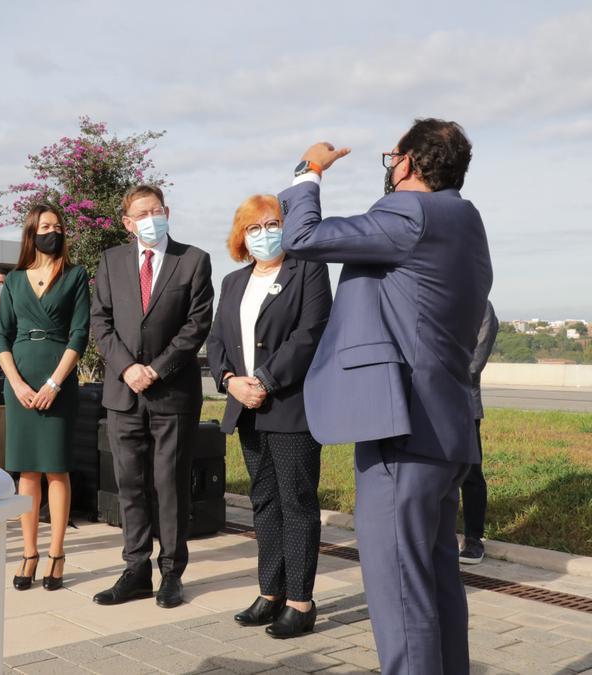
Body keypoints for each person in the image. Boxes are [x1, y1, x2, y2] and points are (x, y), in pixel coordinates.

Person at [278, 118, 492, 673]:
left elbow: (302, 239)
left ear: (411, 163)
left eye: (390, 158)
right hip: (446, 430)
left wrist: (308, 173)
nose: (387, 167)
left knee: (399, 595)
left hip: (402, 431)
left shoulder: (409, 214)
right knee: (437, 584)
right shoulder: (467, 221)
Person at [206, 195, 332, 638]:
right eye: (254, 227)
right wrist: (228, 381)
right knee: (264, 502)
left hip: (289, 405)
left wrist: (262, 380)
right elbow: (218, 338)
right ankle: (270, 592)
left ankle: (300, 601)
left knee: (296, 502)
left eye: (272, 223)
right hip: (245, 408)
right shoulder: (233, 281)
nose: (264, 233)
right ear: (241, 236)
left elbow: (309, 334)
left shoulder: (307, 270)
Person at [89, 185, 214, 609]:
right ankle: (136, 568)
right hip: (123, 393)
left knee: (170, 483)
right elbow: (100, 323)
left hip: (172, 393)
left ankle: (171, 572)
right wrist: (128, 368)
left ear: (167, 212)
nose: (150, 218)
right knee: (131, 484)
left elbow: (196, 326)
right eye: (140, 213)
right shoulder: (110, 261)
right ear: (127, 222)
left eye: (156, 210)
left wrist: (157, 369)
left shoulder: (193, 260)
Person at [0, 206, 89, 591]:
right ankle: (29, 553)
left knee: (56, 469)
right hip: (19, 380)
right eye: (45, 226)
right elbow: (1, 337)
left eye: (58, 226)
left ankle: (57, 553)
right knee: (27, 472)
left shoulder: (75, 275)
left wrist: (54, 384)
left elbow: (79, 334)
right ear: (32, 232)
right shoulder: (14, 281)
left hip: (59, 379)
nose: (53, 231)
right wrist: (16, 384)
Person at [460, 300, 499, 565]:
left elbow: (475, 363)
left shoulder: (481, 305)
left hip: (464, 405)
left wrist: (438, 377)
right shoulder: (432, 295)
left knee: (471, 474)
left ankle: (474, 538)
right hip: (427, 404)